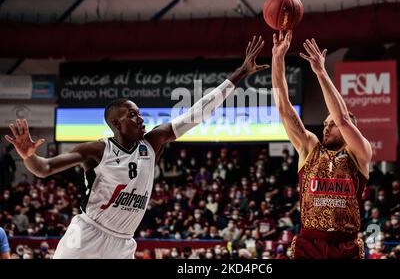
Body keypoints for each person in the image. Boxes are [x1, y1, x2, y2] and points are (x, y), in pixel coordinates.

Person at [4, 36, 269, 259]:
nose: (140, 118)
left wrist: (240, 74)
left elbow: (196, 113)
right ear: (116, 123)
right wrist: (28, 154)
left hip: (123, 243)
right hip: (86, 237)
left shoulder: (153, 142)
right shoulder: (96, 151)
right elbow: (44, 168)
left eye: (140, 114)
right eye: (133, 115)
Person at [272, 31, 372, 259]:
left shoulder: (359, 152)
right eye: (325, 123)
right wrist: (277, 59)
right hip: (309, 242)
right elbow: (284, 109)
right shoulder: (310, 148)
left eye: (331, 124)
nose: (326, 127)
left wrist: (320, 71)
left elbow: (343, 119)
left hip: (345, 244)